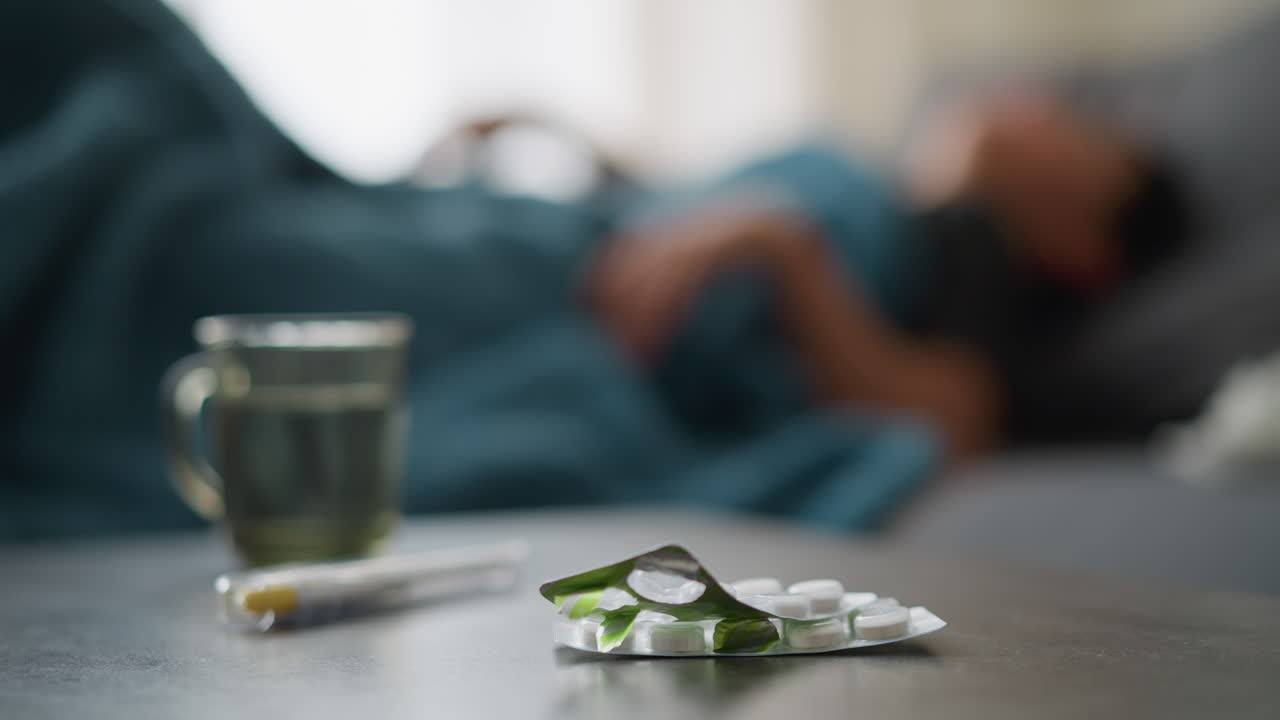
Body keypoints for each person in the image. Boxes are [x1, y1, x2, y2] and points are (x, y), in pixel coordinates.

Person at [2, 0, 1275, 540]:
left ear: (1081, 243)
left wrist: (775, 249)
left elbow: (936, 414)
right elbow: (679, 213)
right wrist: (562, 144)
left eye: (1073, 135)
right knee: (134, 81)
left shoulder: (972, 282)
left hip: (595, 316)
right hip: (554, 238)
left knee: (178, 217)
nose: (1030, 103)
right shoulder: (866, 175)